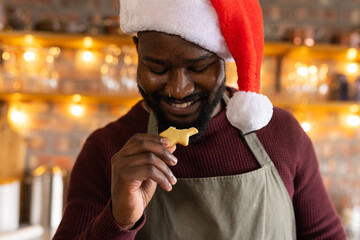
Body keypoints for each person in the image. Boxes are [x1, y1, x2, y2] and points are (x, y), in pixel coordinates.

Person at [54, 0, 346, 239]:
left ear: (223, 59)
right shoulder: (107, 147)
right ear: (137, 51)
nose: (178, 88)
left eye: (199, 67)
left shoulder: (280, 133)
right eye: (157, 67)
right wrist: (119, 220)